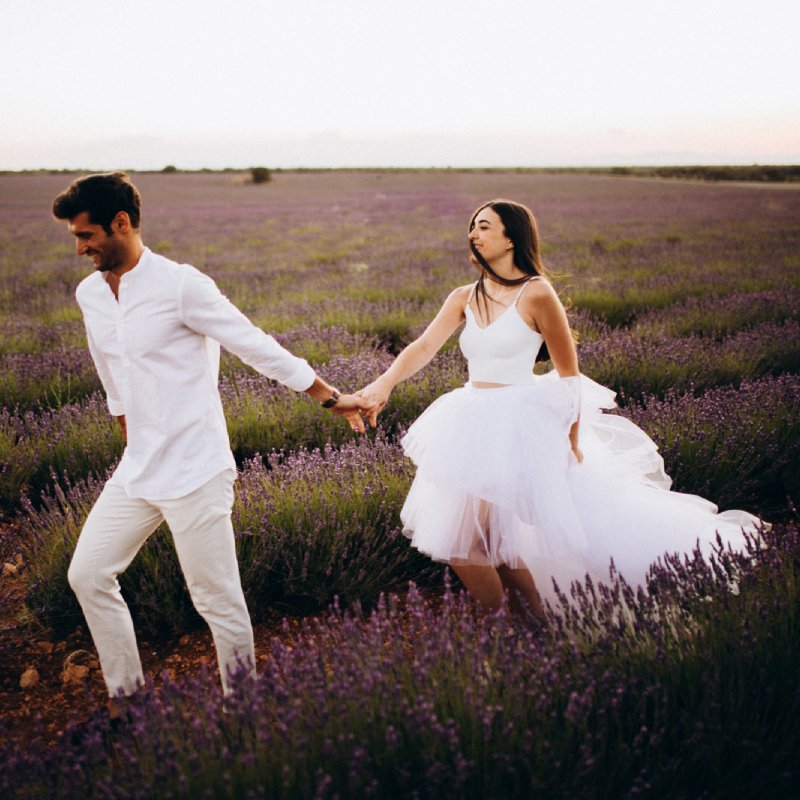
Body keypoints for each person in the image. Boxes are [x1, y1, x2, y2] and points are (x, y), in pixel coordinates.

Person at [52, 172, 372, 714]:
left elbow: (253, 343)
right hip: (138, 469)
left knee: (216, 599)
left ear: (122, 223)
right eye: (76, 238)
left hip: (196, 467)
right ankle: (128, 702)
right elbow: (109, 368)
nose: (80, 248)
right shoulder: (90, 293)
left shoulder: (181, 285)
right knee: (87, 574)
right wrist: (127, 428)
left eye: (86, 236)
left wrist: (327, 395)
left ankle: (243, 711)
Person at [357, 199, 762, 620]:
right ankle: (538, 626)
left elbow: (570, 376)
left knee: (464, 541)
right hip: (472, 419)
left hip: (518, 423)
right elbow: (422, 347)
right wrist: (383, 383)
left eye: (483, 227)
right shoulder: (464, 297)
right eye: (471, 227)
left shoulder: (537, 292)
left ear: (511, 237)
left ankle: (507, 630)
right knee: (497, 546)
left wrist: (568, 438)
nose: (472, 235)